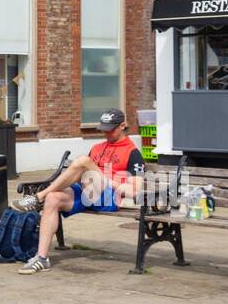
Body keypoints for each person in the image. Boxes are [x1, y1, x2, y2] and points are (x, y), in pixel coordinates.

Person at [12, 108, 146, 274]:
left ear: (122, 126)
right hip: (87, 192)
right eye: (104, 129)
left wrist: (108, 181)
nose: (106, 134)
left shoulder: (133, 153)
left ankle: (38, 196)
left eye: (110, 129)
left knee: (83, 161)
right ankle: (41, 258)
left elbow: (134, 191)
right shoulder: (97, 148)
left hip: (108, 196)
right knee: (53, 198)